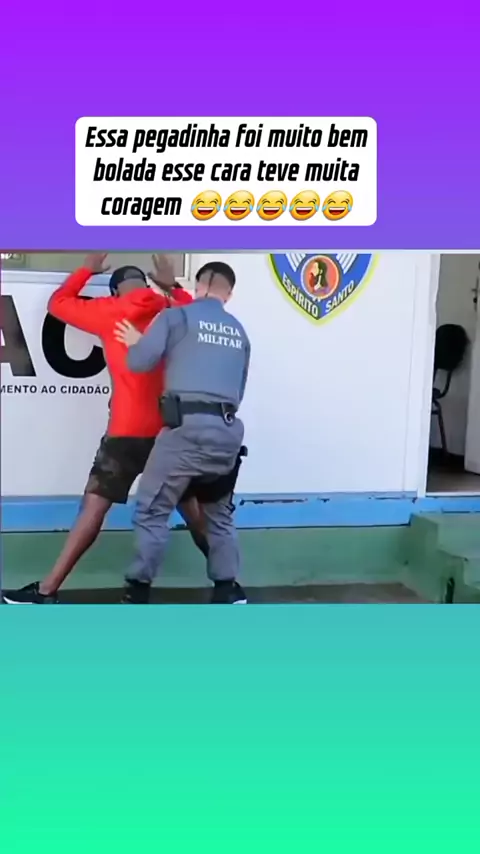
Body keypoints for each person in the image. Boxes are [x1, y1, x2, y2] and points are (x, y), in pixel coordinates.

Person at [2, 253, 212, 605]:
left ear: (115, 291)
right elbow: (201, 316)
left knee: (93, 509)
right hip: (168, 432)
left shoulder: (108, 310)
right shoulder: (169, 309)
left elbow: (58, 303)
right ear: (144, 284)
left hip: (125, 431)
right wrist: (173, 286)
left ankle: (47, 590)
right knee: (193, 510)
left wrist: (87, 269)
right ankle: (230, 583)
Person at [115, 261, 251, 605]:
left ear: (198, 286)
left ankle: (137, 590)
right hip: (227, 434)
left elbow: (139, 362)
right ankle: (228, 590)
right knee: (218, 514)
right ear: (228, 294)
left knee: (152, 510)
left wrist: (138, 341)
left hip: (185, 431)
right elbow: (238, 389)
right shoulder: (239, 332)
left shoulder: (176, 317)